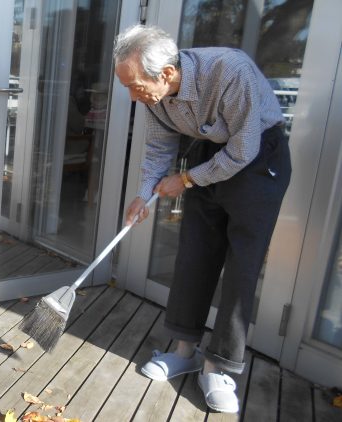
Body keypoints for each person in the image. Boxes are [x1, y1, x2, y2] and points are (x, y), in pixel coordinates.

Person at [113, 25, 291, 413]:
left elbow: (243, 150)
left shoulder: (229, 70)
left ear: (166, 73)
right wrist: (143, 193)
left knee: (242, 265)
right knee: (194, 255)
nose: (132, 96)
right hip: (208, 154)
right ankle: (184, 351)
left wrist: (186, 179)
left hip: (259, 158)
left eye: (135, 86)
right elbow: (158, 148)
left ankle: (219, 367)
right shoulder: (155, 97)